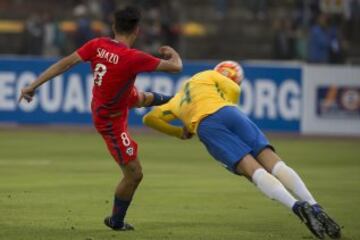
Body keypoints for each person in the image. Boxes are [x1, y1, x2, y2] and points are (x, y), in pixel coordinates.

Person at [18, 6, 182, 231]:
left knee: (140, 96)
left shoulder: (97, 45)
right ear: (137, 30)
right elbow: (177, 66)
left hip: (112, 100)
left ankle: (177, 102)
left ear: (114, 27)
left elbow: (64, 63)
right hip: (109, 119)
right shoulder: (134, 57)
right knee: (134, 174)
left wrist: (32, 86)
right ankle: (116, 222)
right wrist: (173, 52)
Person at [143, 61, 341, 239]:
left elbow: (149, 119)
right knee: (273, 161)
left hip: (207, 126)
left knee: (253, 170)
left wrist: (179, 132)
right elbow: (234, 89)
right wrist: (227, 103)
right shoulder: (213, 79)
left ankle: (296, 207)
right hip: (230, 113)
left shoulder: (181, 96)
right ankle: (314, 205)